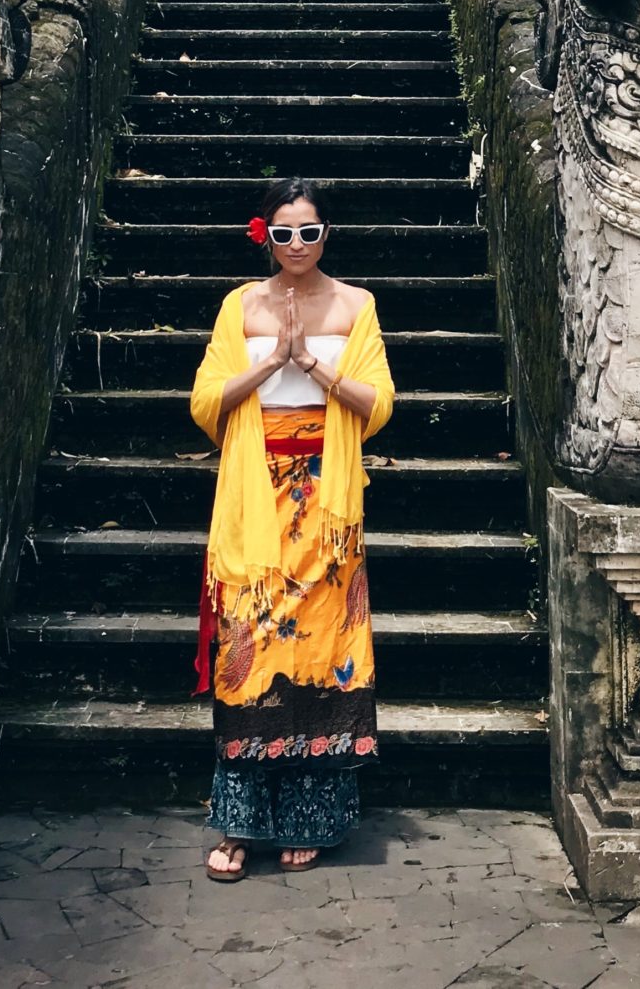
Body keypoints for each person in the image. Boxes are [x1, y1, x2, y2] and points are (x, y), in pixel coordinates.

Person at [190, 178, 394, 881]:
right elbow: (205, 401)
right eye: (283, 233)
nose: (297, 245)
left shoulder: (356, 305)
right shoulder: (239, 306)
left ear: (326, 233)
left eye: (308, 231)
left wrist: (312, 363)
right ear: (265, 236)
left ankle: (312, 819)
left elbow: (379, 404)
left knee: (317, 653)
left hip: (327, 502)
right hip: (255, 498)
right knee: (249, 654)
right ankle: (239, 825)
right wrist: (272, 360)